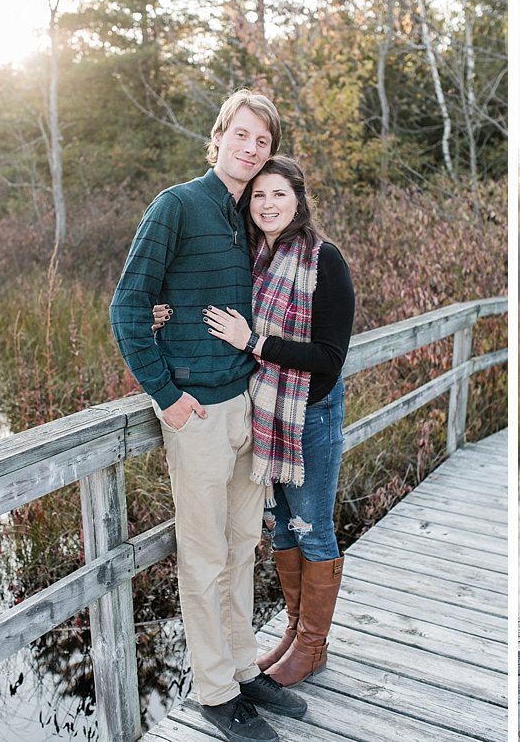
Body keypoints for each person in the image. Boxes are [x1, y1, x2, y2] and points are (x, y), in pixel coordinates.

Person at [111, 90, 306, 742]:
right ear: (219, 135)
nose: (251, 149)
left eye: (262, 142)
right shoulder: (176, 205)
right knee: (202, 558)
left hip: (247, 404)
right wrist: (166, 396)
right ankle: (216, 693)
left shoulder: (249, 216)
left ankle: (245, 669)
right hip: (197, 413)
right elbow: (128, 306)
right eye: (242, 135)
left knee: (242, 549)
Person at [198, 155, 355, 687]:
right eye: (259, 195)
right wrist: (162, 312)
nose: (267, 204)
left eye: (278, 195)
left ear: (298, 200)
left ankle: (314, 645)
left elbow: (330, 357)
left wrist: (255, 344)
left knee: (312, 529)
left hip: (309, 414)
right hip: (266, 414)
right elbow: (211, 308)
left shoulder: (323, 260)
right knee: (283, 527)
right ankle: (293, 632)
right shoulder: (253, 259)